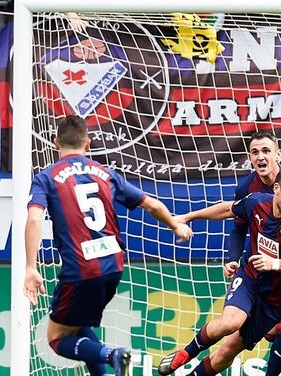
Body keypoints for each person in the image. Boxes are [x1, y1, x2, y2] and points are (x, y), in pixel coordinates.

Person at [25, 115, 192, 376]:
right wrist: (175, 225)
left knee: (57, 339)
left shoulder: (46, 177)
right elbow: (153, 205)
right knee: (77, 324)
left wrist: (30, 267)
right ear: (88, 144)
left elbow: (34, 219)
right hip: (113, 265)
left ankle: (113, 354)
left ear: (55, 142)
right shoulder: (105, 173)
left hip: (81, 269)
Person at [176, 132, 281, 376]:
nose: (261, 157)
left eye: (266, 151)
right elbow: (238, 224)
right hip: (264, 268)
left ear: (277, 155)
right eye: (255, 152)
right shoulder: (249, 191)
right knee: (259, 333)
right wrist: (232, 258)